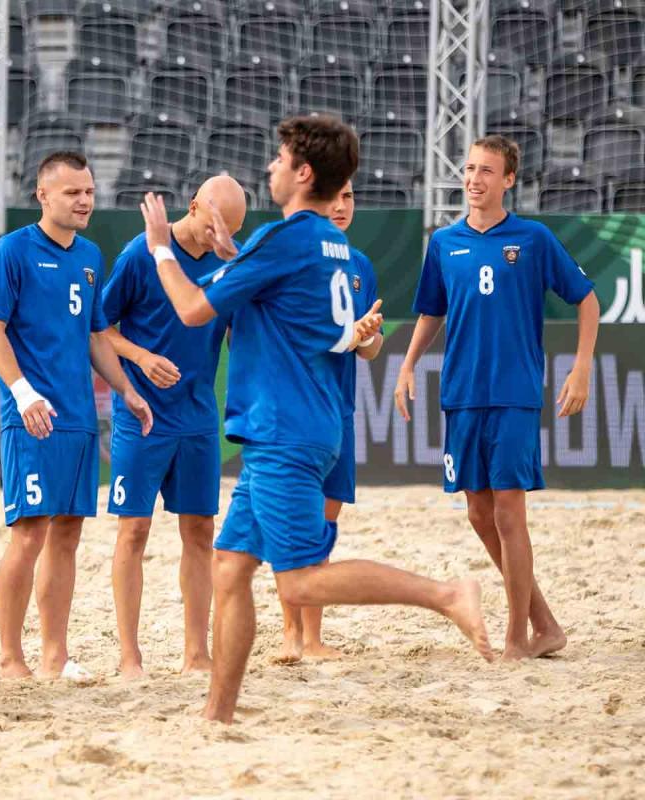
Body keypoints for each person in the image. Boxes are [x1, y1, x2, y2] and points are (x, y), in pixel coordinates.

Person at [141, 115, 494, 725]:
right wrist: (236, 258)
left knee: (300, 581)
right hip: (298, 424)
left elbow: (194, 308)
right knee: (230, 567)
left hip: (285, 429)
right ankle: (218, 714)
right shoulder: (330, 244)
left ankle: (445, 595)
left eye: (280, 159)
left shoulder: (286, 240)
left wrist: (160, 247)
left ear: (304, 173)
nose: (271, 167)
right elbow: (278, 295)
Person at [395, 135, 599, 661]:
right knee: (479, 514)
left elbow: (587, 300)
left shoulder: (533, 238)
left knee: (509, 512)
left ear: (508, 179)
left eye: (486, 170)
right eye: (469, 169)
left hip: (514, 392)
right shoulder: (444, 242)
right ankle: (545, 624)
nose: (474, 178)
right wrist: (408, 365)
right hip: (462, 393)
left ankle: (516, 640)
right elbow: (432, 311)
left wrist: (581, 369)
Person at [0, 151, 153, 681]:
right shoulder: (12, 251)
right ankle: (11, 658)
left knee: (68, 535)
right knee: (29, 533)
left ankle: (54, 655)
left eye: (89, 192)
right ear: (42, 195)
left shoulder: (90, 255)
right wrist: (22, 393)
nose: (84, 201)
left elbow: (97, 336)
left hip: (78, 417)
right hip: (32, 417)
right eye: (72, 192)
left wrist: (126, 389)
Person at [102, 175, 247, 680]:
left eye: (230, 231)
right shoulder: (140, 254)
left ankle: (196, 652)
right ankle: (130, 657)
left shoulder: (231, 261)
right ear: (193, 206)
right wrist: (141, 357)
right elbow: (100, 328)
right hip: (142, 413)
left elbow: (242, 331)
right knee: (134, 530)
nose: (218, 237)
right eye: (213, 226)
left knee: (200, 531)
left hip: (198, 414)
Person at [275, 179, 384, 664]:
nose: (342, 206)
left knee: (323, 525)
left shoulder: (359, 265)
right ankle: (293, 635)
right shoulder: (292, 256)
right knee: (294, 524)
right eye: (335, 196)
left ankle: (310, 637)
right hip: (294, 410)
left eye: (350, 197)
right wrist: (345, 335)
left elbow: (369, 350)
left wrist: (367, 336)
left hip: (338, 411)